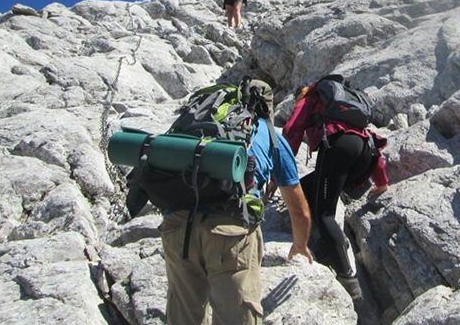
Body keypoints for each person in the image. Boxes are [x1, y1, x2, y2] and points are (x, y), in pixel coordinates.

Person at [160, 80, 313, 325]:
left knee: (183, 316)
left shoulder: (199, 124)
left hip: (177, 223)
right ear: (267, 107)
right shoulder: (270, 135)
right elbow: (299, 209)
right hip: (229, 229)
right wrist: (300, 244)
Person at [282, 80, 388, 300]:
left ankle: (347, 277)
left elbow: (292, 130)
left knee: (325, 214)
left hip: (338, 147)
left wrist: (280, 170)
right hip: (363, 151)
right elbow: (364, 135)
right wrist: (381, 181)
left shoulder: (309, 98)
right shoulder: (343, 106)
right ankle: (329, 242)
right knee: (305, 189)